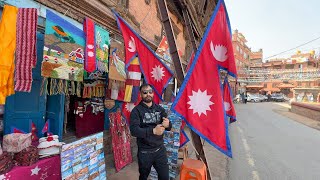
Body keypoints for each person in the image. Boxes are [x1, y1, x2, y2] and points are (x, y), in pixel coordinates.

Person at [130, 83, 172, 180]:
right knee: (143, 177)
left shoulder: (160, 109)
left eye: (150, 92)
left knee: (165, 177)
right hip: (145, 152)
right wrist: (153, 131)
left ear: (153, 94)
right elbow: (134, 131)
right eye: (145, 92)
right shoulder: (136, 111)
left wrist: (168, 124)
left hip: (160, 150)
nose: (148, 94)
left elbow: (169, 126)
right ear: (140, 95)